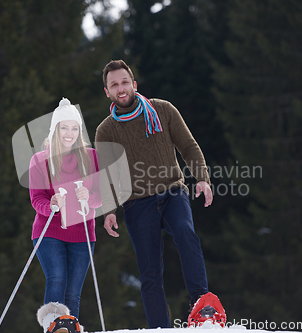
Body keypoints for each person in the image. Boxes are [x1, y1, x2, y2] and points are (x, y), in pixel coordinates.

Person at [95, 60, 214, 328]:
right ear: (107, 92)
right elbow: (108, 176)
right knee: (150, 273)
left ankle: (202, 308)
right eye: (114, 85)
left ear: (134, 85)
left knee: (185, 232)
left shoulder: (163, 110)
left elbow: (189, 147)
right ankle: (160, 328)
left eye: (125, 82)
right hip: (137, 205)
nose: (121, 88)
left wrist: (202, 179)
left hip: (173, 192)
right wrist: (109, 212)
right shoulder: (106, 131)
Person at [29, 98, 101, 319]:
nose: (69, 133)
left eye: (74, 128)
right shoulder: (40, 160)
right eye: (64, 128)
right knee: (57, 279)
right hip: (50, 230)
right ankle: (53, 326)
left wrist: (88, 197)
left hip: (82, 233)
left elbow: (101, 197)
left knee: (72, 294)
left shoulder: (91, 157)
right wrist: (51, 205)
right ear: (55, 130)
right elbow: (37, 198)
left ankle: (69, 327)